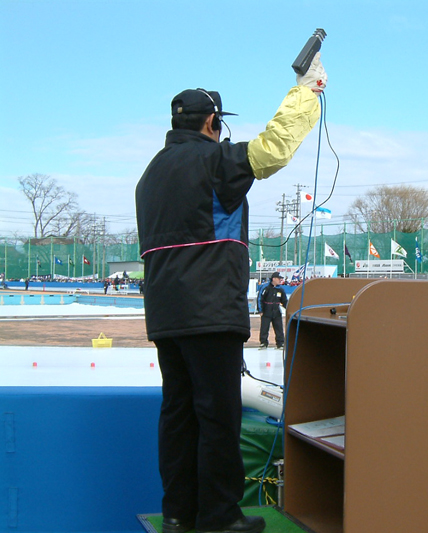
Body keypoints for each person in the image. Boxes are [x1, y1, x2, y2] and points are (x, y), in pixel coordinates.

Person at [135, 54, 327, 533]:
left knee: (177, 414)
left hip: (164, 313)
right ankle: (219, 518)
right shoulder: (215, 160)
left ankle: (179, 514)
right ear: (212, 123)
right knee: (217, 416)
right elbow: (274, 148)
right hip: (210, 311)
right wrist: (306, 93)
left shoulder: (148, 176)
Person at [259, 272, 288, 349]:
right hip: (266, 311)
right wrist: (260, 310)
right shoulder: (265, 287)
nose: (280, 280)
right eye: (279, 279)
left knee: (279, 328)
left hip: (276, 311)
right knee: (264, 328)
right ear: (274, 278)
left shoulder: (280, 289)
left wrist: (289, 309)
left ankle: (280, 343)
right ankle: (263, 342)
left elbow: (284, 301)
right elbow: (260, 299)